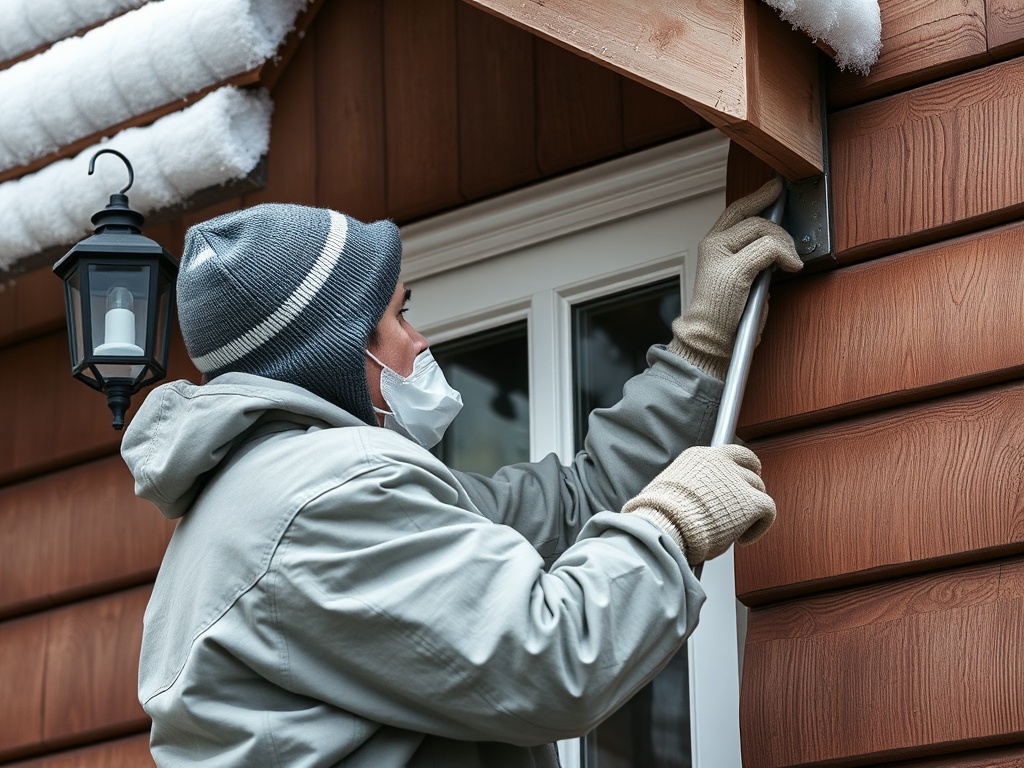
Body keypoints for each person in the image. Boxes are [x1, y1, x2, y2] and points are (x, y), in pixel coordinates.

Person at [122, 179, 801, 767]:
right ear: (335, 350)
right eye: (399, 314)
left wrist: (701, 347)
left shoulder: (288, 495)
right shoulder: (325, 500)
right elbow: (550, 660)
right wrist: (675, 523)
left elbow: (576, 505)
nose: (419, 342)